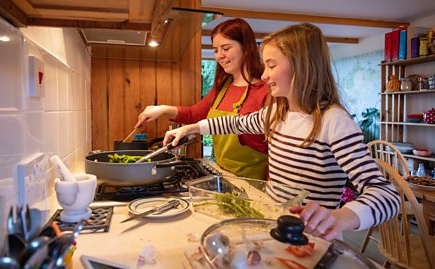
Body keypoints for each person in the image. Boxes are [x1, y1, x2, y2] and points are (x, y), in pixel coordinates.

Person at [162, 23, 400, 241]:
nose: (264, 75)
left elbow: (386, 195)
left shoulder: (333, 120)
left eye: (272, 66)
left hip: (311, 239)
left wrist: (339, 217)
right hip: (275, 228)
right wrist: (191, 128)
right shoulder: (277, 113)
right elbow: (234, 123)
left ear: (301, 67)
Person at [134, 18, 269, 180]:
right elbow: (194, 114)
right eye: (215, 50)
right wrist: (162, 109)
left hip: (255, 182)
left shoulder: (266, 90)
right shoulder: (223, 86)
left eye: (226, 48)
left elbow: (274, 147)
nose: (220, 56)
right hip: (224, 175)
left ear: (246, 47)